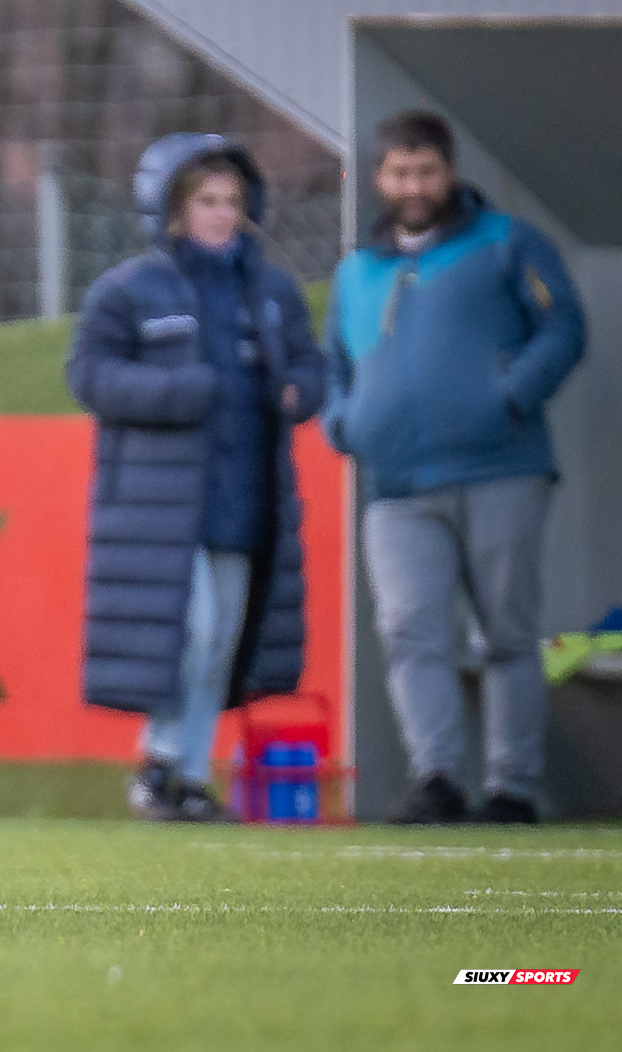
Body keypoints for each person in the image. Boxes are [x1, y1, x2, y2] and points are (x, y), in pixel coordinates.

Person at [323, 110, 585, 825]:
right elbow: (333, 367)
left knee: (506, 631)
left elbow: (564, 324)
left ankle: (511, 787)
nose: (414, 185)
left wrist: (513, 392)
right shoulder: (357, 270)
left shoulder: (507, 241)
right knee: (410, 630)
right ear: (379, 178)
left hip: (502, 467)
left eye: (427, 171)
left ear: (450, 172)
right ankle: (436, 776)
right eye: (400, 173)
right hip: (397, 485)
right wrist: (342, 423)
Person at [66, 134, 325, 822]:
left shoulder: (270, 289)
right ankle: (159, 763)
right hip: (162, 507)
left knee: (223, 644)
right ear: (171, 207)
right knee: (195, 631)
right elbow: (90, 375)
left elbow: (310, 366)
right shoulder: (127, 289)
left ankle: (185, 773)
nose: (221, 213)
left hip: (246, 497)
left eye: (231, 201)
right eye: (206, 200)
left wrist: (299, 391)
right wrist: (181, 390)